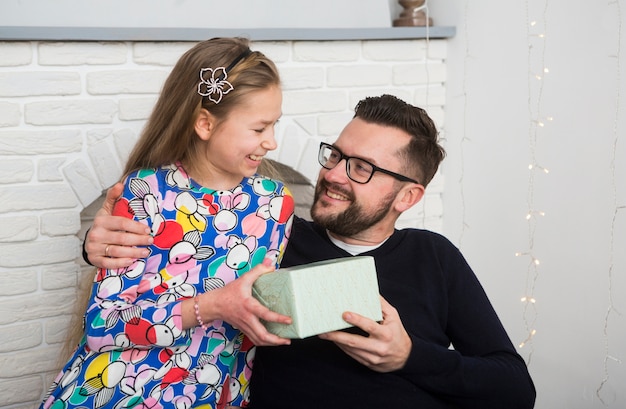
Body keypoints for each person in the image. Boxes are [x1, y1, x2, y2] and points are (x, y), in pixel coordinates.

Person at [83, 95, 537, 408]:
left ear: (408, 198)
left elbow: (514, 389)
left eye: (361, 168)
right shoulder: (267, 236)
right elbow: (159, 281)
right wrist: (97, 245)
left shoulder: (434, 257)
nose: (335, 174)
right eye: (336, 155)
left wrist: (409, 355)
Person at [42, 37, 296, 409]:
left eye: (274, 125)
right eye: (259, 129)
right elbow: (101, 326)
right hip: (122, 391)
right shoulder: (147, 194)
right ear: (205, 124)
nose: (271, 142)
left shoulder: (276, 203)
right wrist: (211, 306)